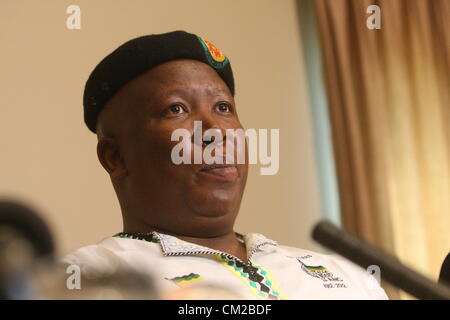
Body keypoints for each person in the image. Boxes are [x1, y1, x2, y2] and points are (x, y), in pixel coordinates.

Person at [61, 30, 388, 300]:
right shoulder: (87, 280)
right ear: (115, 157)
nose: (216, 131)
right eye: (176, 109)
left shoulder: (350, 277)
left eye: (223, 107)